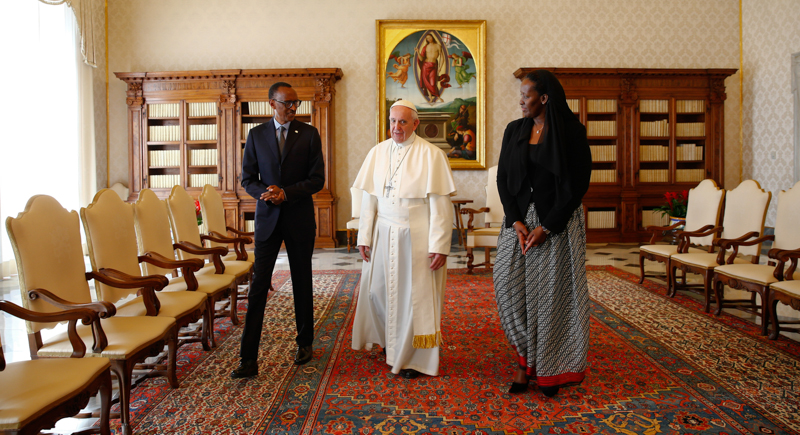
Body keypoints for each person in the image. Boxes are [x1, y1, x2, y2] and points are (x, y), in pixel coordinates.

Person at [493, 70, 592, 397]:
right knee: (507, 288)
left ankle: (544, 370)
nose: (521, 101)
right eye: (520, 96)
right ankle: (525, 357)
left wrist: (548, 226)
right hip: (519, 222)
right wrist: (516, 220)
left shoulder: (572, 133)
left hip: (557, 223)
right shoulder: (514, 130)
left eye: (526, 95)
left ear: (544, 98)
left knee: (549, 300)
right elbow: (504, 179)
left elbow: (577, 185)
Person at [351, 99, 457, 379]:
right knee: (377, 291)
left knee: (413, 298)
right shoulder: (377, 152)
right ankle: (390, 343)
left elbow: (441, 207)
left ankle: (412, 359)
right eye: (392, 121)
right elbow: (369, 199)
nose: (396, 127)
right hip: (382, 231)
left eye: (402, 122)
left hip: (416, 233)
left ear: (415, 124)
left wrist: (440, 246)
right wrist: (365, 236)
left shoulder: (432, 155)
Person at [232, 82, 325, 378]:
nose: (293, 109)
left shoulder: (309, 134)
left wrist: (286, 192)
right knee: (259, 287)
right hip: (268, 221)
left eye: (296, 104)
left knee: (302, 282)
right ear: (272, 103)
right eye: (287, 104)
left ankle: (305, 343)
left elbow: (316, 179)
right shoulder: (256, 135)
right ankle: (248, 359)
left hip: (299, 219)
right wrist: (266, 192)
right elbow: (247, 179)